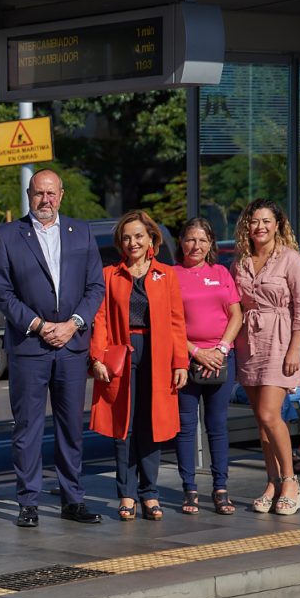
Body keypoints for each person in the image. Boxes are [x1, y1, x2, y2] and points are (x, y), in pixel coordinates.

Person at [0, 169, 105, 528]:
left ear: (61, 195)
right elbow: (2, 292)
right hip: (29, 345)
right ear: (29, 195)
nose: (46, 200)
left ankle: (73, 499)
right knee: (28, 428)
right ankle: (28, 502)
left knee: (71, 427)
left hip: (72, 344)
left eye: (51, 193)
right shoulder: (7, 236)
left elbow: (96, 287)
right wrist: (39, 325)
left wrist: (73, 324)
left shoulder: (82, 232)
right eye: (39, 193)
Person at [89, 210, 189, 521]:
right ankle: (126, 494)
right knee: (123, 426)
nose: (133, 242)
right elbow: (101, 319)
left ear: (151, 239)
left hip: (158, 354)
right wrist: (97, 357)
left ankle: (150, 493)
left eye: (138, 236)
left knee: (152, 423)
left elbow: (176, 322)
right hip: (122, 354)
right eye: (127, 238)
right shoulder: (110, 274)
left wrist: (180, 362)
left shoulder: (166, 274)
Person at [231, 199, 300, 515]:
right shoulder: (240, 262)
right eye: (254, 221)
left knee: (269, 414)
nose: (260, 227)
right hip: (248, 343)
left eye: (266, 221)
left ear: (277, 224)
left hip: (280, 342)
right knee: (261, 421)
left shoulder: (292, 260)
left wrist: (295, 349)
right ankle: (272, 481)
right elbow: (233, 305)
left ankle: (291, 480)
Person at [173, 218, 243, 515]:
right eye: (190, 239)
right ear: (181, 242)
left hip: (221, 358)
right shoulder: (171, 275)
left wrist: (221, 349)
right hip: (186, 359)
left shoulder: (221, 273)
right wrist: (196, 351)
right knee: (186, 427)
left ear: (211, 243)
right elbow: (167, 324)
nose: (196, 246)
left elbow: (236, 315)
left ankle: (221, 488)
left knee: (216, 425)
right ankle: (189, 489)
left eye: (203, 240)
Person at [231, 380, 300, 473]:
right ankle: (286, 456)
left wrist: (288, 380)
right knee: (278, 399)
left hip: (281, 380)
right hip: (247, 384)